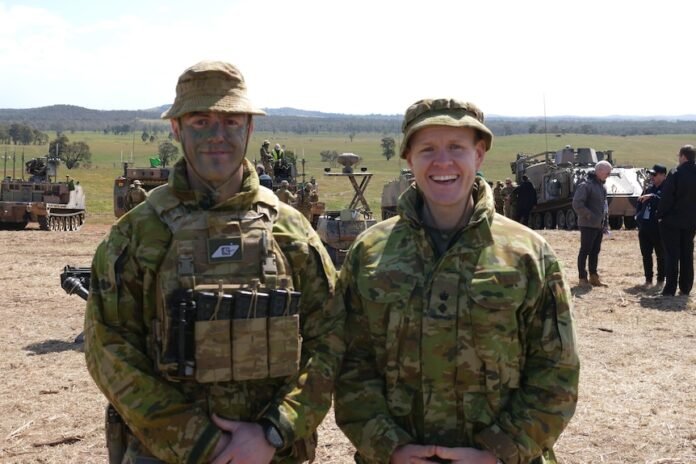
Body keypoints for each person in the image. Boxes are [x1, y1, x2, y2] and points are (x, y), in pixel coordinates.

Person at [83, 60, 344, 464]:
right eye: (201, 121)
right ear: (177, 128)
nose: (217, 135)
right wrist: (201, 443)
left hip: (272, 453)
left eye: (231, 120)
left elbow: (329, 341)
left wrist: (273, 430)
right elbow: (109, 350)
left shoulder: (291, 233)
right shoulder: (138, 235)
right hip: (169, 454)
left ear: (250, 128)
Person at [334, 98, 579, 464]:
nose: (442, 162)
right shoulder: (370, 253)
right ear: (408, 158)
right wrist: (392, 448)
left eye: (456, 148)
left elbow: (555, 373)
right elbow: (350, 365)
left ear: (478, 156)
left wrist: (498, 452)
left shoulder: (528, 254)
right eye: (428, 149)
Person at [655, 144, 696, 297]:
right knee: (687, 254)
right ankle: (685, 287)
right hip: (691, 221)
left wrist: (660, 215)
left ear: (683, 156)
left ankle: (670, 289)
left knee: (672, 255)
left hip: (672, 221)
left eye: (679, 155)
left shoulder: (676, 173)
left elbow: (667, 198)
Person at [572, 161, 612, 287]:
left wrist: (603, 222)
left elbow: (603, 206)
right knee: (585, 251)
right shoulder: (585, 185)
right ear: (599, 171)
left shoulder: (602, 186)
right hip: (588, 224)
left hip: (598, 225)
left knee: (595, 251)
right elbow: (577, 204)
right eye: (607, 172)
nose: (609, 175)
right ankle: (582, 279)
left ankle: (593, 277)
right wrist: (590, 216)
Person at [635, 164, 667, 287]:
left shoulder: (667, 189)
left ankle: (660, 281)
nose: (652, 176)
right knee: (646, 255)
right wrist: (638, 217)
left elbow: (666, 204)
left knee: (661, 255)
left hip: (658, 228)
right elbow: (639, 202)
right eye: (651, 174)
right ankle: (648, 280)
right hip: (645, 227)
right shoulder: (649, 189)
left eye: (655, 174)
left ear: (663, 175)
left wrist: (653, 197)